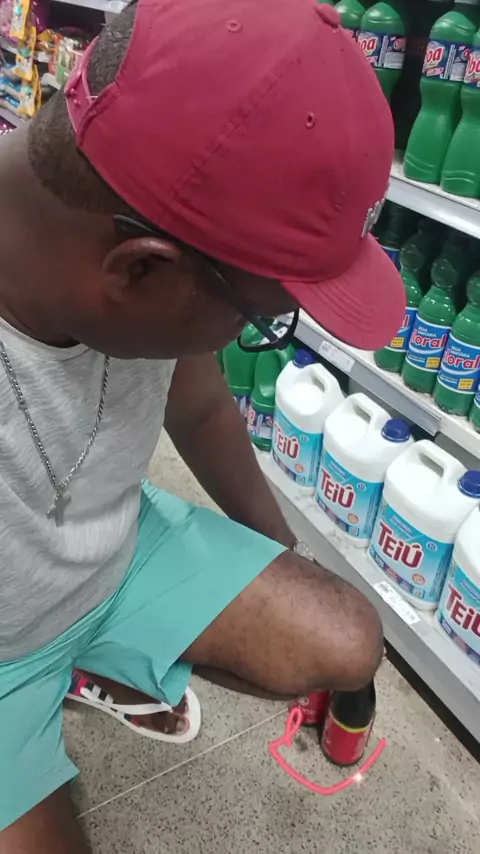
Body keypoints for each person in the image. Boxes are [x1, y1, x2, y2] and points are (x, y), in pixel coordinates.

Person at [0, 0, 406, 850]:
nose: (247, 337)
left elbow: (197, 398)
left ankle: (91, 659)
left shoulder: (123, 243)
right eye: (258, 318)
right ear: (141, 270)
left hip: (113, 556)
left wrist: (277, 552)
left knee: (345, 638)